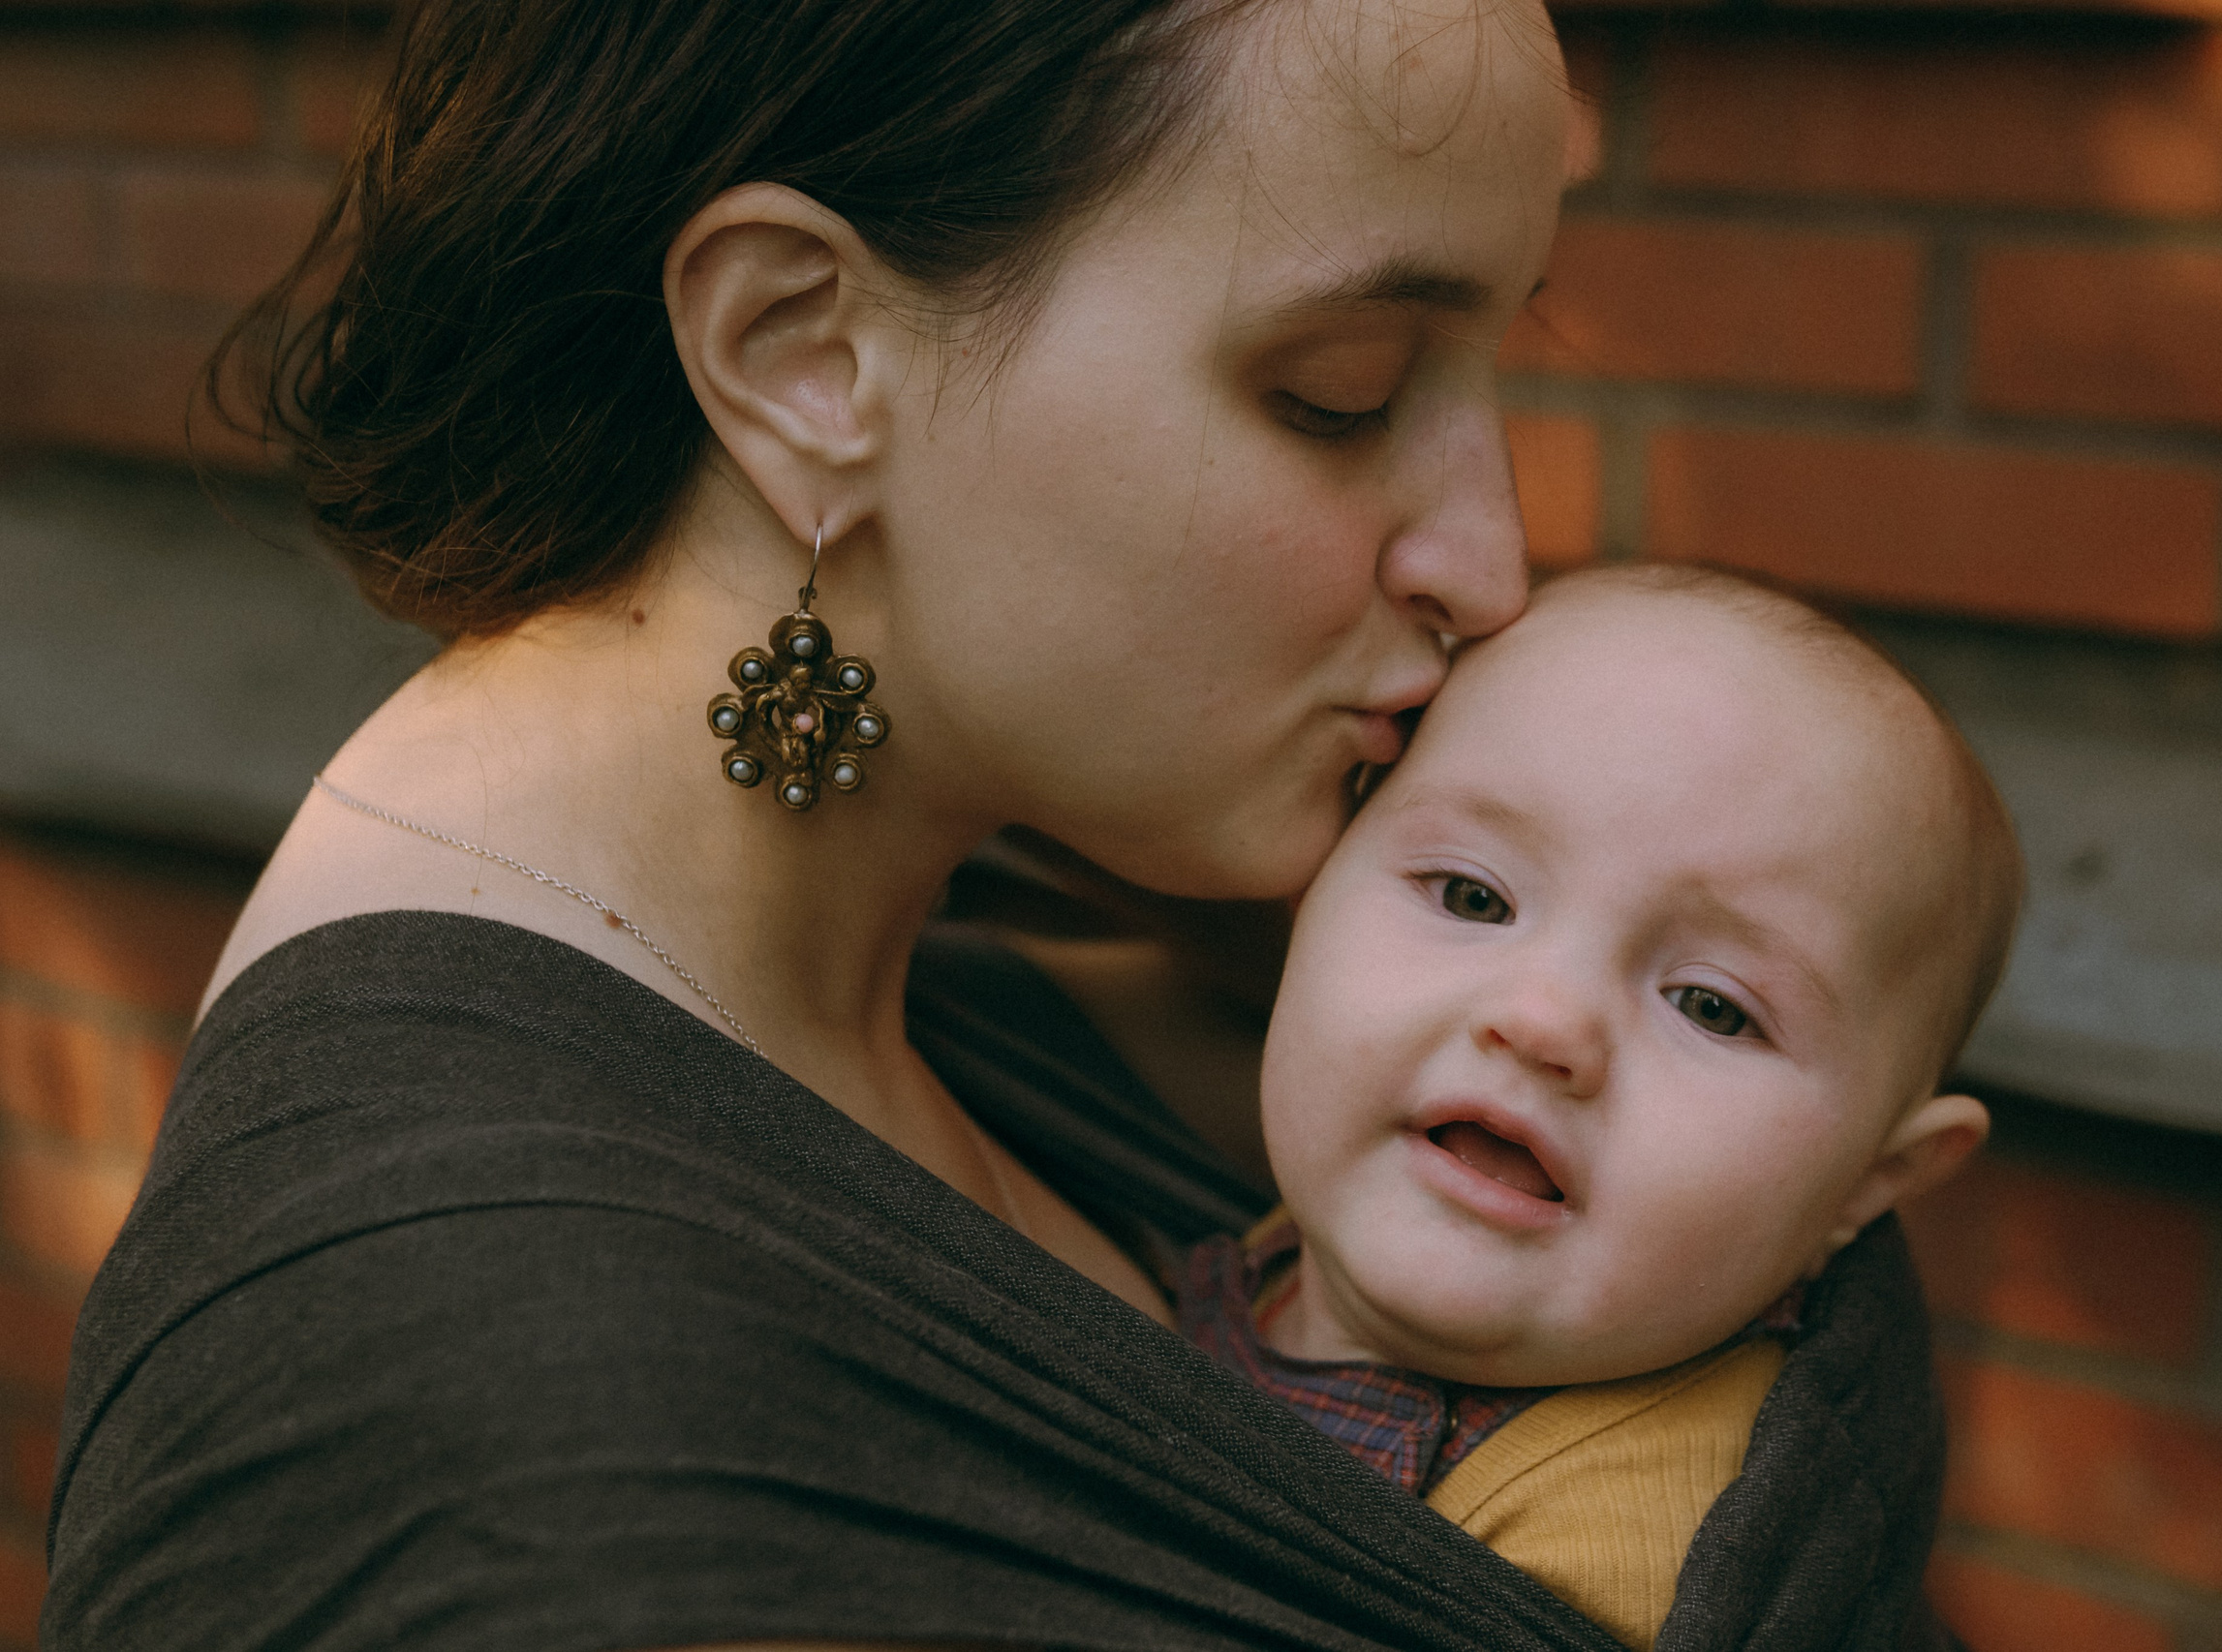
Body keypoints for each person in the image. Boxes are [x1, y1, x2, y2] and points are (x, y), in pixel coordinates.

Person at [41, 2, 1962, 1648]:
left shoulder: (1068, 1031)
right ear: (807, 355)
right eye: (1338, 391)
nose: (1489, 559)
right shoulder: (494, 1406)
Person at [1182, 566, 2024, 1648]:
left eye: (1713, 1007)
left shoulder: (1624, 1577)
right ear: (1311, 888)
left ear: (1870, 1179)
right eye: (1472, 894)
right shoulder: (1287, 1205)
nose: (1544, 1022)